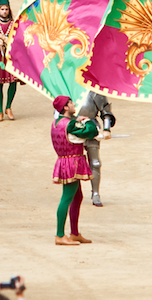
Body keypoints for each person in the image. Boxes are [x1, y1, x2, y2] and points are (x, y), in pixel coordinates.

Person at [50, 95, 96, 246]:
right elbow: (91, 131)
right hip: (72, 163)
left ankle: (74, 233)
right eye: (70, 103)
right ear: (65, 107)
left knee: (77, 197)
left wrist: (76, 119)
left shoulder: (57, 123)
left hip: (65, 161)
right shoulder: (69, 125)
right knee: (67, 198)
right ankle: (60, 235)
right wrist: (87, 121)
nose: (73, 104)